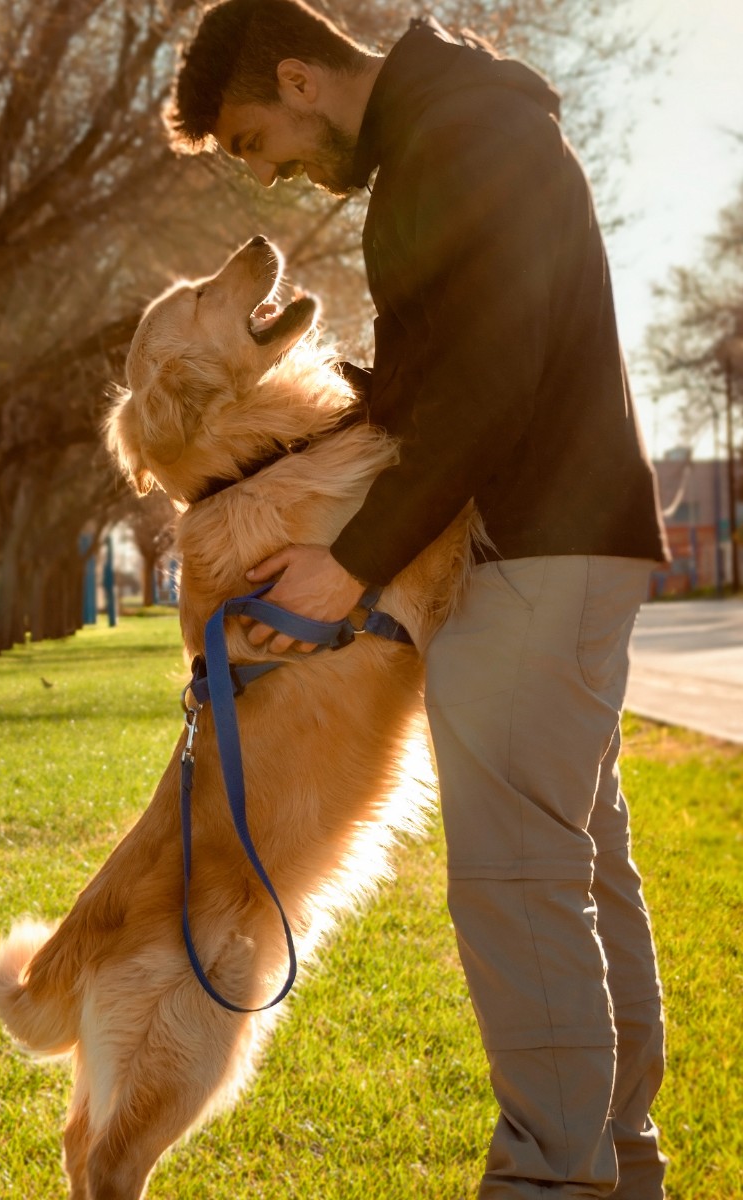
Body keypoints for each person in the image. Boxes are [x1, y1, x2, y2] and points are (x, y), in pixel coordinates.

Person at [167, 2, 670, 1196]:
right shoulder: (448, 136)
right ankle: (619, 1158)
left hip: (535, 542)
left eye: (253, 142)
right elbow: (437, 380)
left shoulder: (462, 137)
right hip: (546, 540)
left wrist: (351, 559)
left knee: (517, 879)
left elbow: (493, 375)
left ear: (298, 78)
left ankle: (558, 1176)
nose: (271, 174)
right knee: (578, 866)